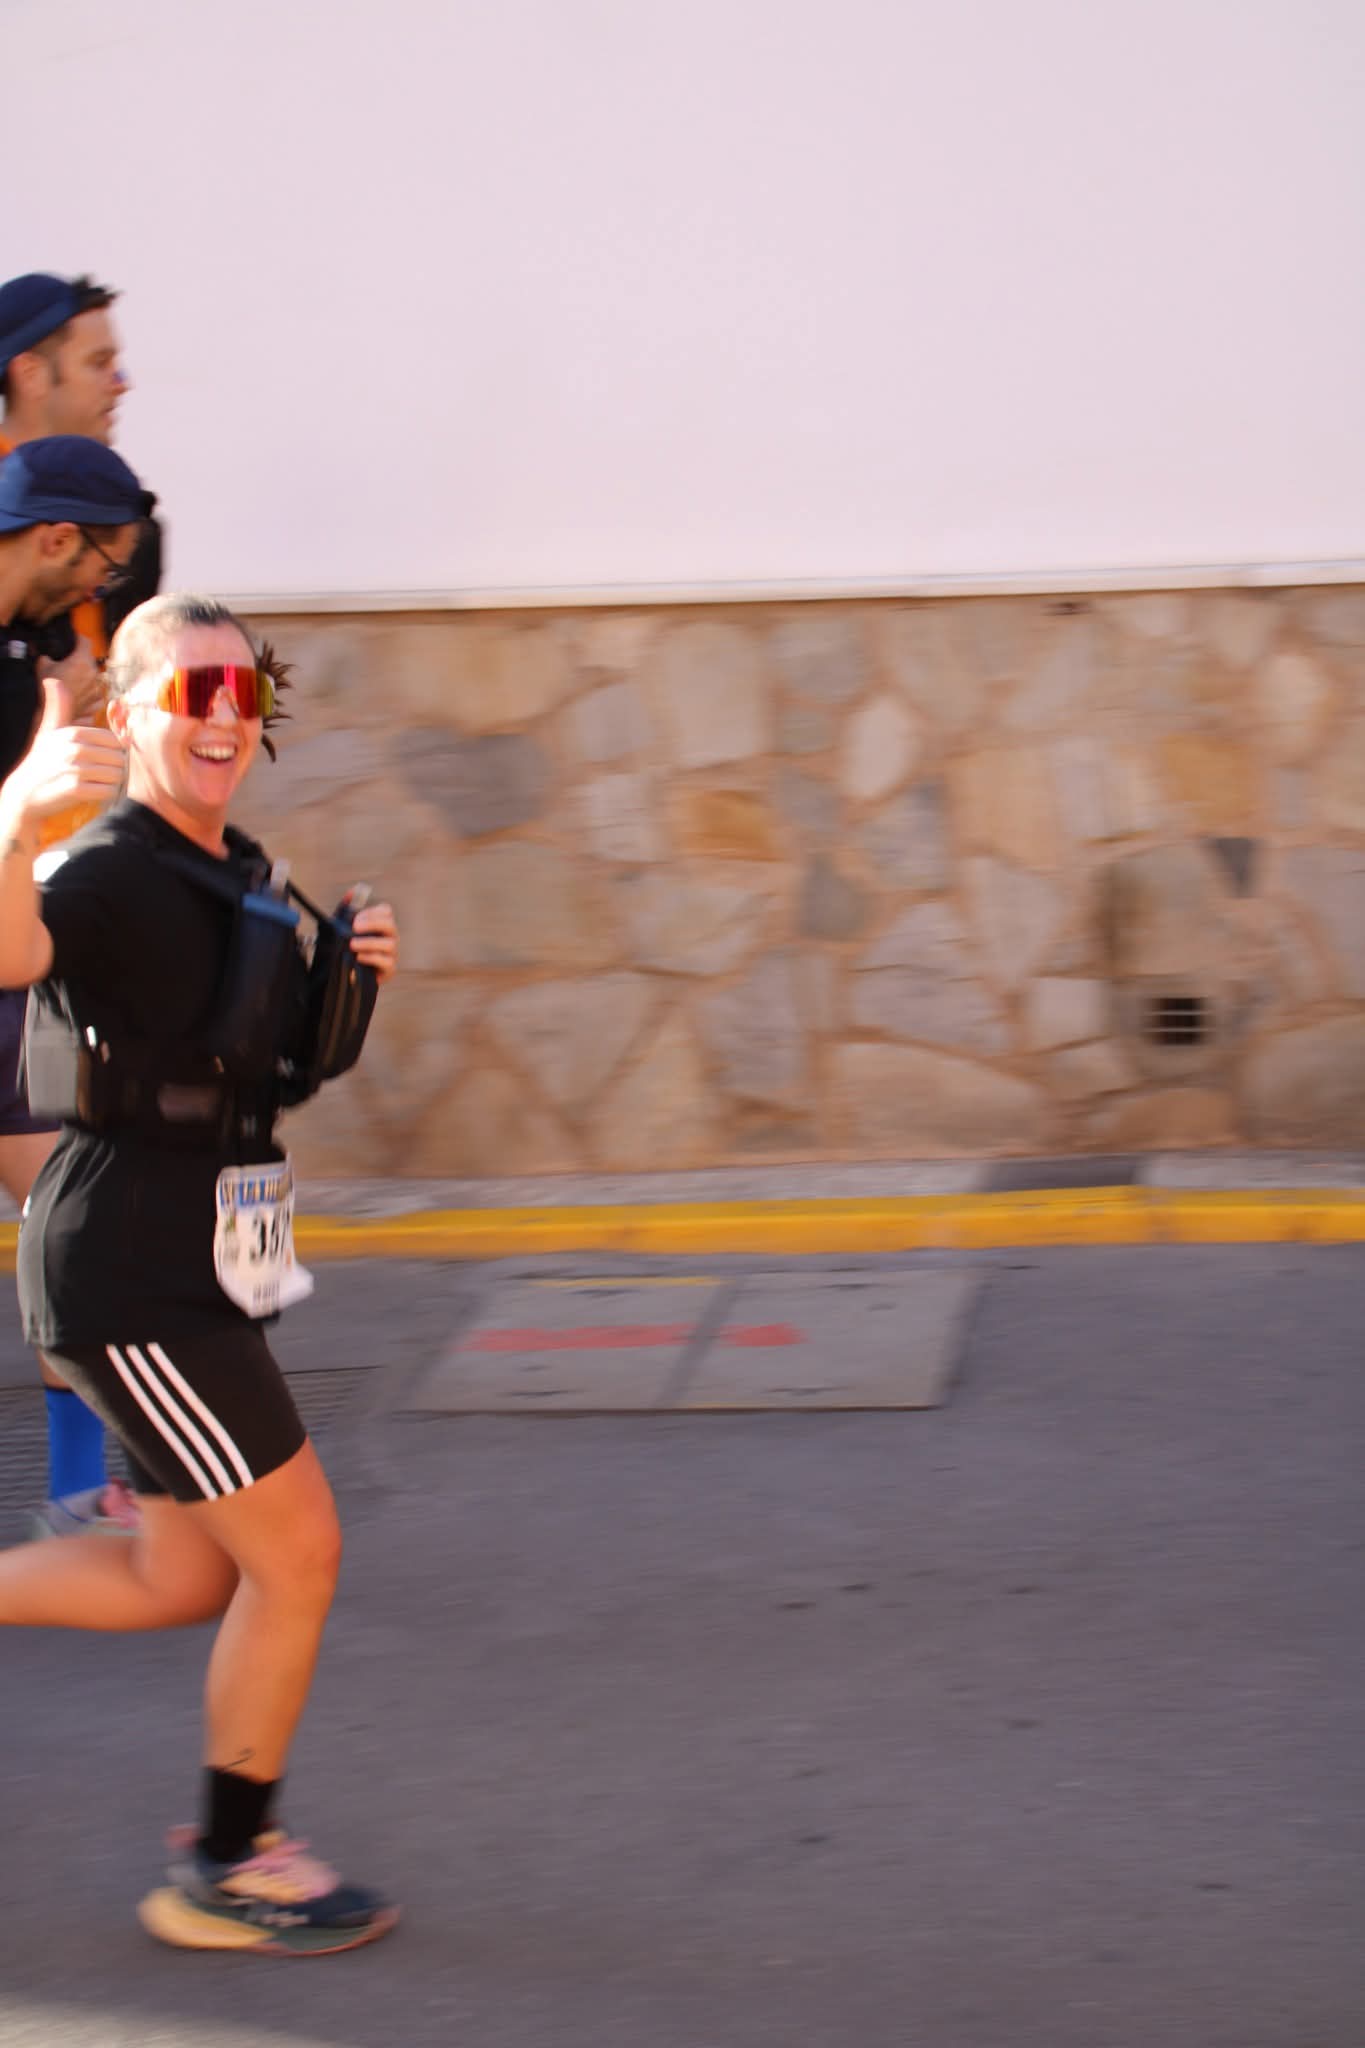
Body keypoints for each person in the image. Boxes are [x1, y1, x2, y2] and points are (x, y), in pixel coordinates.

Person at [0, 589, 401, 1955]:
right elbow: (12, 949)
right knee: (300, 1554)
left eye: (247, 694)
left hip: (195, 1259)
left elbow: (272, 1062)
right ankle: (229, 1864)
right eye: (195, 692)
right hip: (133, 1276)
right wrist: (16, 817)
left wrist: (348, 978)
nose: (227, 717)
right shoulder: (104, 868)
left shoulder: (234, 867)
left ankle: (231, 1856)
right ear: (130, 714)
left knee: (180, 1576)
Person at [0, 272, 165, 1529]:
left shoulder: (37, 618)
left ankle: (78, 1488)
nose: (121, 381)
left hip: (23, 949)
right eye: (94, 360)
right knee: (74, 1208)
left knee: (75, 1207)